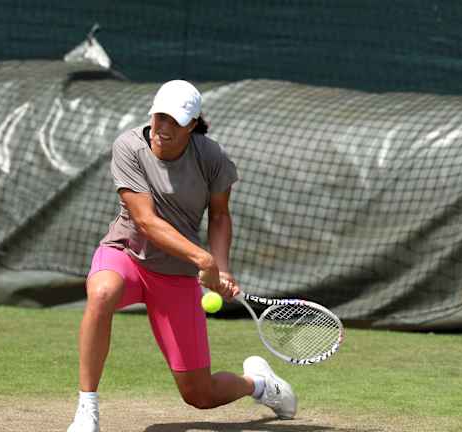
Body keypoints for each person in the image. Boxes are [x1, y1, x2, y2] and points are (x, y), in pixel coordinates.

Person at [67, 80, 297, 432]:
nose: (163, 128)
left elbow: (220, 215)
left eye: (175, 121)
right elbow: (145, 221)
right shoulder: (129, 147)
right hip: (125, 255)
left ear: (192, 125)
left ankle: (261, 384)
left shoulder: (211, 157)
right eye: (159, 117)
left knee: (199, 394)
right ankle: (87, 409)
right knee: (101, 293)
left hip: (174, 276)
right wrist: (205, 262)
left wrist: (222, 267)